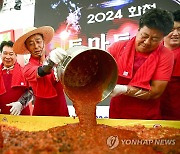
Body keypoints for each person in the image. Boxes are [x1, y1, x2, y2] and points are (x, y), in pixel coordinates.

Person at [107, 8, 174, 119]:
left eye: (155, 39)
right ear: (138, 29)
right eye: (144, 36)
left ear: (162, 38)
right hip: (117, 113)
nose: (147, 42)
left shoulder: (165, 55)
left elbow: (156, 92)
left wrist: (124, 89)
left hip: (147, 116)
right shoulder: (118, 47)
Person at [13, 26, 69, 116]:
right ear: (27, 48)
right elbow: (42, 71)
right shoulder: (27, 68)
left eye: (38, 41)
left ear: (44, 42)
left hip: (60, 109)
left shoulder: (58, 59)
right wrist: (51, 62)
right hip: (41, 112)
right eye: (31, 44)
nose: (36, 46)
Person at [0, 40, 32, 115]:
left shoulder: (25, 71)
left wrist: (21, 103)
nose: (8, 57)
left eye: (11, 54)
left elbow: (32, 91)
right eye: (5, 53)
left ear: (16, 55)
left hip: (22, 114)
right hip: (2, 116)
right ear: (1, 54)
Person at [160, 10, 180, 120]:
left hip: (176, 117)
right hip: (154, 116)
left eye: (179, 29)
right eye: (171, 30)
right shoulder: (153, 52)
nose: (176, 34)